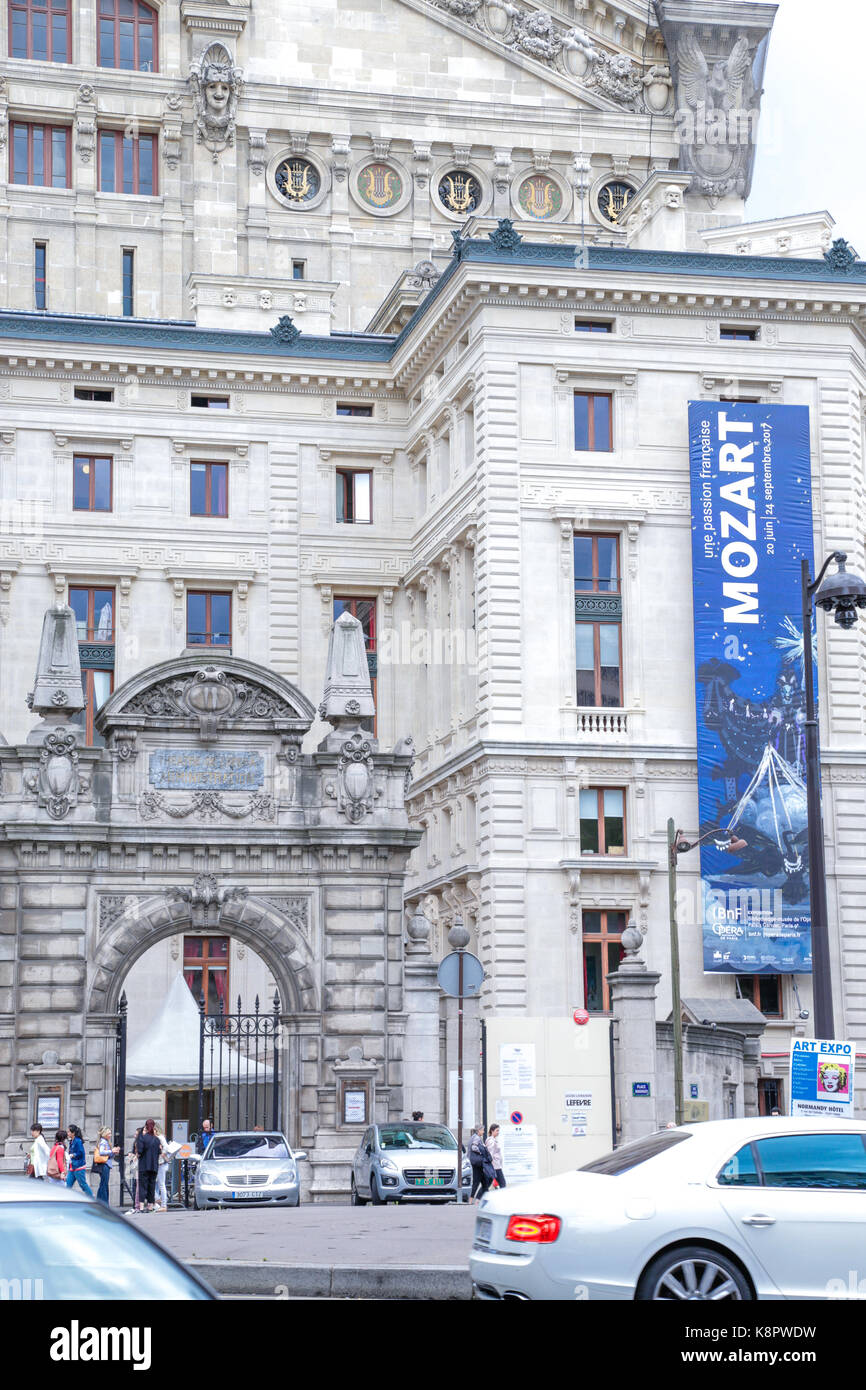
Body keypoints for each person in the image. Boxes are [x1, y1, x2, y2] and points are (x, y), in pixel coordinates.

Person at [135, 1119, 161, 1212]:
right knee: (152, 1185)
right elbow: (159, 1152)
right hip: (154, 1166)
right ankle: (150, 1205)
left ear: (146, 1126)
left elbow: (140, 1151)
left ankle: (141, 1207)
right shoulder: (157, 1140)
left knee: (142, 1186)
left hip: (144, 1165)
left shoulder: (142, 1138)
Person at [93, 1126, 121, 1205]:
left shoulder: (105, 1141)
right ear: (104, 1134)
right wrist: (111, 1150)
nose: (110, 1135)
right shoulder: (103, 1142)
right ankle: (104, 1204)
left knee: (103, 1184)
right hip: (104, 1165)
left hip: (105, 1164)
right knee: (104, 1185)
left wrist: (114, 1152)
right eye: (109, 1133)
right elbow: (102, 1152)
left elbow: (109, 1156)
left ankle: (100, 1202)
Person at [65, 1125, 94, 1196]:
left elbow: (81, 1152)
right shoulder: (72, 1141)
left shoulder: (78, 1141)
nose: (67, 1133)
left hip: (78, 1167)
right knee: (67, 1186)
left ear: (73, 1133)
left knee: (83, 1185)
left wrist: (73, 1155)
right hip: (72, 1167)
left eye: (69, 1131)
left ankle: (92, 1199)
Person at [468, 1123, 493, 1203]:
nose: (483, 1132)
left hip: (477, 1163)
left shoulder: (473, 1137)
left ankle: (484, 1200)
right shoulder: (477, 1138)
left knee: (484, 1182)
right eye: (482, 1130)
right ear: (479, 1130)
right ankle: (471, 1200)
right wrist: (482, 1152)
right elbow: (474, 1147)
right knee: (476, 1182)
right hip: (478, 1163)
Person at [153, 1123, 170, 1211]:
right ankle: (159, 1200)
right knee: (157, 1183)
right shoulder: (159, 1137)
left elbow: (166, 1148)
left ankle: (163, 1204)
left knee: (161, 1184)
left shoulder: (160, 1137)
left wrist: (162, 1154)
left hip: (160, 1164)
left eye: (154, 1130)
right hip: (160, 1163)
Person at [486, 1122, 506, 1189]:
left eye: (498, 1130)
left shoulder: (493, 1140)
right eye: (497, 1130)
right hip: (495, 1166)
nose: (498, 1132)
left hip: (495, 1166)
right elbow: (490, 1154)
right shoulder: (491, 1141)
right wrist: (490, 1166)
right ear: (492, 1131)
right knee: (503, 1184)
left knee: (486, 1186)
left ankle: (478, 1199)